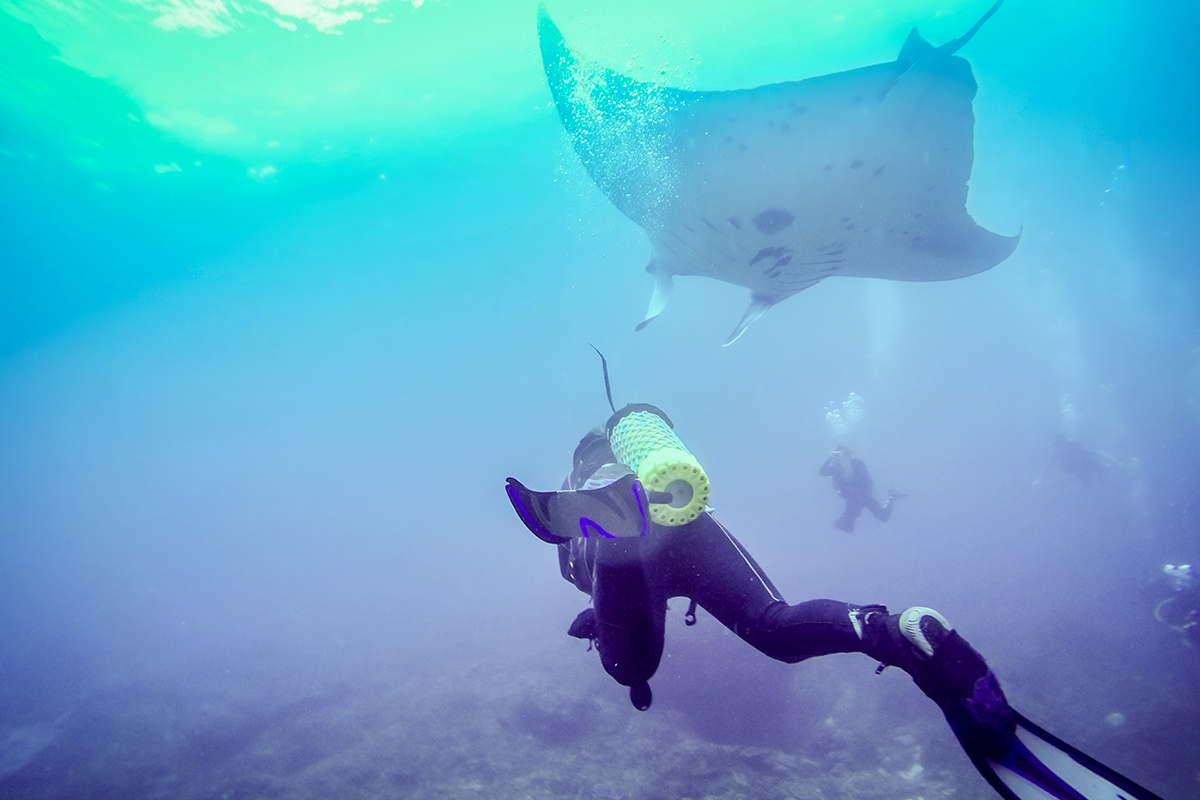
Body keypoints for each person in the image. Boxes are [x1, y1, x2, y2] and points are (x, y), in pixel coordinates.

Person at [505, 405, 1165, 800]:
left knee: (631, 668)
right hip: (686, 512)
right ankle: (888, 629)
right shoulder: (666, 480)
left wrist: (605, 590)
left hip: (617, 541)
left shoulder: (573, 519)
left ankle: (620, 525)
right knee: (776, 626)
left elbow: (590, 588)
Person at [819, 445, 904, 532]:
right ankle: (892, 496)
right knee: (846, 523)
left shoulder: (857, 463)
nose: (841, 456)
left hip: (864, 496)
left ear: (849, 454)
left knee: (882, 517)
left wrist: (846, 464)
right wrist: (829, 458)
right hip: (852, 497)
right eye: (838, 454)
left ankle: (891, 497)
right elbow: (822, 472)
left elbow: (865, 479)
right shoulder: (836, 468)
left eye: (844, 453)